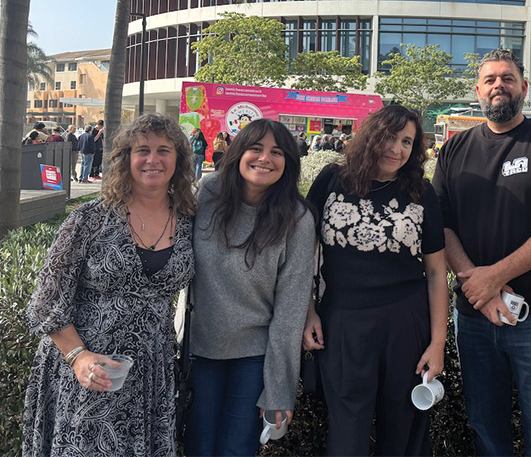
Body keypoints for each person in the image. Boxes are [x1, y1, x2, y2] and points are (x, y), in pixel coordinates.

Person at [432, 49, 531, 456]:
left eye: (507, 77)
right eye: (489, 79)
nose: (498, 85)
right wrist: (476, 285)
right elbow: (439, 222)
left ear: (523, 86)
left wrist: (493, 277)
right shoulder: (454, 150)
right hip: (474, 316)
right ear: (478, 90)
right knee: (485, 428)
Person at [22, 113, 196, 456]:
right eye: (142, 150)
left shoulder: (192, 222)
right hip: (85, 367)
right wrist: (79, 357)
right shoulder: (90, 218)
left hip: (150, 372)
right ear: (125, 158)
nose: (153, 159)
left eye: (164, 150)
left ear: (178, 159)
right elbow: (46, 301)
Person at [303, 105, 449, 456]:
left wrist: (438, 343)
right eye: (389, 136)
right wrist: (307, 312)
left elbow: (436, 272)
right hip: (343, 322)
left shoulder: (421, 193)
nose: (396, 149)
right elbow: (302, 253)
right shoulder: (331, 180)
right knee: (346, 432)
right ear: (370, 136)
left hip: (406, 325)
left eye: (407, 142)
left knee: (402, 431)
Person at [185, 118, 316, 456]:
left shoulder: (298, 219)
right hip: (200, 350)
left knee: (236, 449)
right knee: (197, 446)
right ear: (238, 152)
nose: (264, 158)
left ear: (289, 162)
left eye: (277, 152)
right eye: (255, 148)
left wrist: (279, 389)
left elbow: (290, 310)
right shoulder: (207, 193)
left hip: (254, 356)